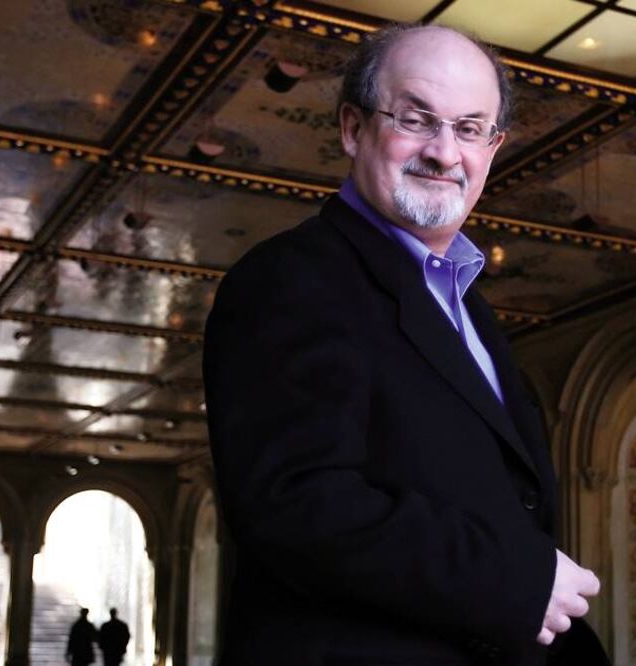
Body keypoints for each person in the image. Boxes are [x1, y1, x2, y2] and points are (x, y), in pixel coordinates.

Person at [203, 23, 608, 665]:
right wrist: (515, 581)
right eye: (417, 120)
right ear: (352, 128)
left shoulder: (464, 299)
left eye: (471, 128)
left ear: (493, 148)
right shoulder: (288, 278)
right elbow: (296, 504)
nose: (445, 152)